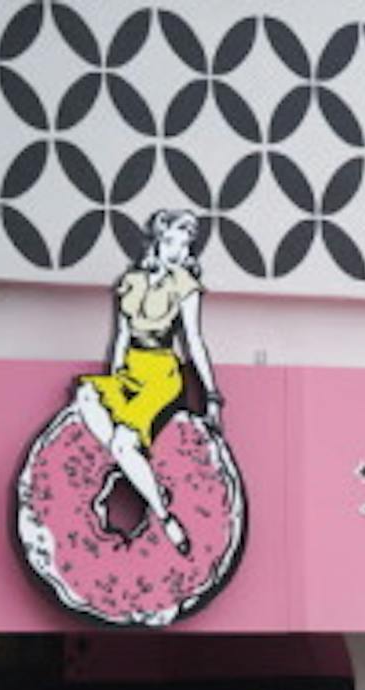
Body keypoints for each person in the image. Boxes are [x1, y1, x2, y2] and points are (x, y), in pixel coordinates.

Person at [72, 209, 223, 556]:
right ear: (156, 241)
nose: (177, 252)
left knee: (123, 444)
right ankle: (139, 474)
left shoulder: (185, 286)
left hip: (161, 374)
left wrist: (212, 394)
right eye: (171, 242)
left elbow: (194, 341)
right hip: (131, 370)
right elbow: (121, 337)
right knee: (86, 395)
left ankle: (164, 516)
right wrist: (115, 378)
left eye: (184, 246)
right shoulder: (131, 282)